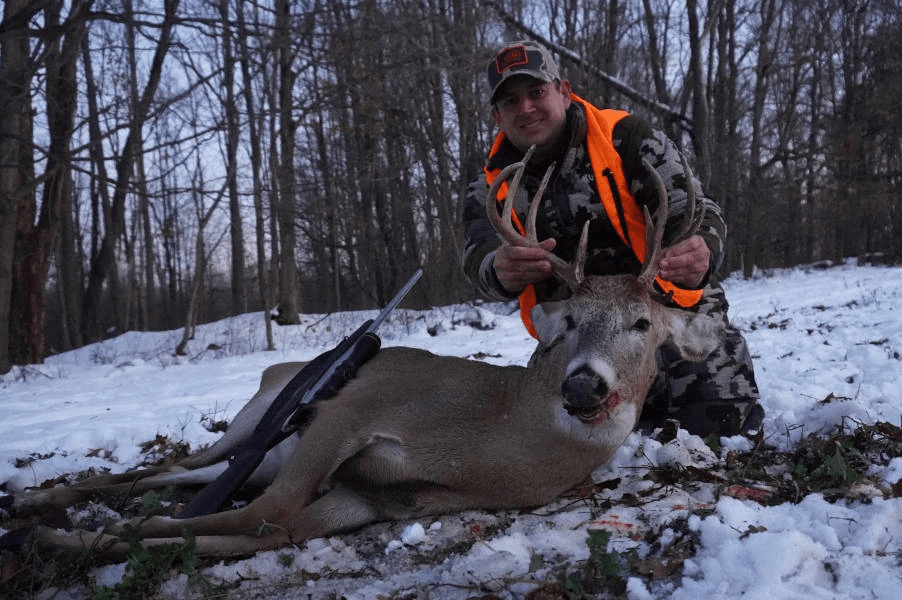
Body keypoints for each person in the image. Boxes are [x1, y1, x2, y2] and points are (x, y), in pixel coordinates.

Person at [461, 40, 764, 437]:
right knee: (547, 438)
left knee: (721, 426)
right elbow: (478, 257)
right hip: (577, 329)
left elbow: (697, 211)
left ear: (564, 92)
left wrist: (702, 247)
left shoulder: (629, 139)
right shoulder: (489, 188)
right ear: (496, 116)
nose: (527, 109)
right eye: (511, 102)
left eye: (537, 93)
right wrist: (496, 269)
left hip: (659, 309)